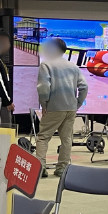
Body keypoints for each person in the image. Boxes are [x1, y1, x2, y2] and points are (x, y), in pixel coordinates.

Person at [35, 38, 89, 178]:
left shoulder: (46, 65)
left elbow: (43, 87)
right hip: (70, 108)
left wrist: (44, 104)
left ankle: (40, 167)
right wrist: (77, 104)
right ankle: (62, 168)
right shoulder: (73, 66)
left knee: (43, 137)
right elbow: (84, 87)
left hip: (53, 107)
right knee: (67, 139)